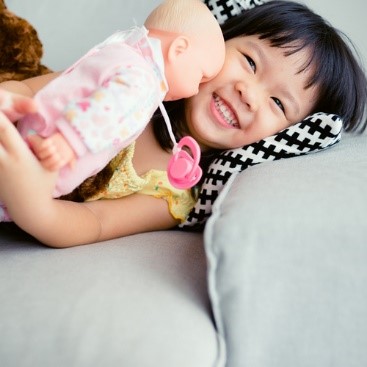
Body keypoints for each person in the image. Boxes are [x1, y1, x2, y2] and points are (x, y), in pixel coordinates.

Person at [0, 0, 366, 248]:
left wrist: (31, 204)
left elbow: (93, 222)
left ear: (284, 137)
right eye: (250, 63)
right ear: (217, 44)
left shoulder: (173, 190)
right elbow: (39, 88)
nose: (248, 93)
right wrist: (10, 94)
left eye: (277, 103)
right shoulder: (133, 73)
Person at [0, 0, 225, 199]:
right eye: (201, 76)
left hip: (40, 135)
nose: (196, 90)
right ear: (179, 49)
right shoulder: (142, 81)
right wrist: (69, 141)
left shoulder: (123, 52)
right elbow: (106, 110)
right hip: (51, 151)